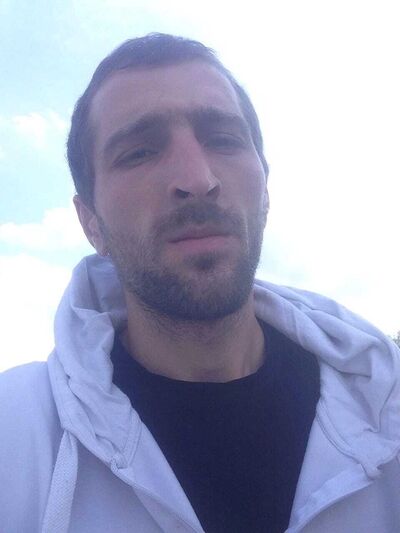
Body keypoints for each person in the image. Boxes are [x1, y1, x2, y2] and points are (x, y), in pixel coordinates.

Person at [1, 33, 399, 533]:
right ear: (90, 223)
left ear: (266, 190)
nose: (197, 178)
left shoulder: (387, 404)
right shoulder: (15, 432)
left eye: (224, 139)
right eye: (140, 152)